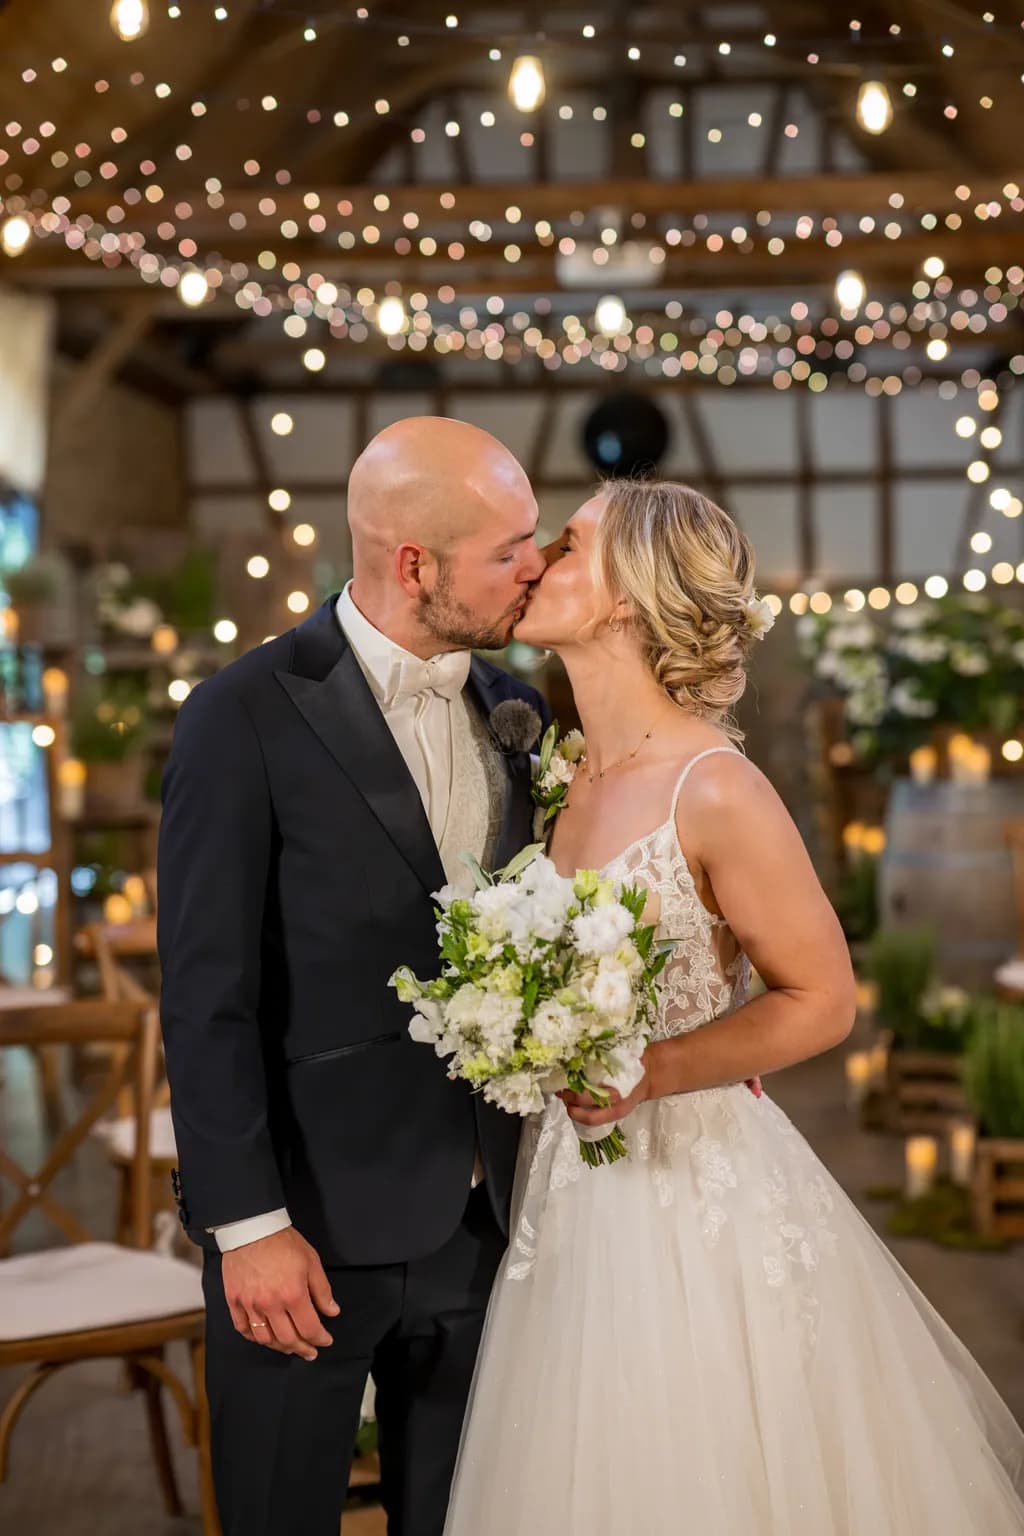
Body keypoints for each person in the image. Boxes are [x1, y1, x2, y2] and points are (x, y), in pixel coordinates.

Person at [443, 478, 1024, 1535]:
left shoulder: (712, 787)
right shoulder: (561, 776)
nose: (536, 562)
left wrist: (649, 1070)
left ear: (625, 597)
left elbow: (823, 998)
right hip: (568, 1191)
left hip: (686, 1192)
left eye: (567, 544)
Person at [157, 417, 549, 1536]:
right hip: (306, 1235)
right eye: (508, 547)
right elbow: (205, 993)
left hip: (489, 1221)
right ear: (411, 563)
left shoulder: (516, 708)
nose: (537, 565)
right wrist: (246, 1226)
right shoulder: (242, 715)